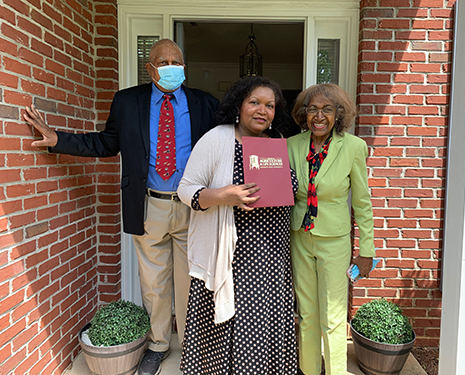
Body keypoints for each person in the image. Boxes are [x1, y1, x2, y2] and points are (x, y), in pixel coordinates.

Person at [22, 39, 219, 375]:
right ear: (150, 68)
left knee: (192, 281)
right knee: (153, 283)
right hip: (148, 204)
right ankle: (158, 345)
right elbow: (106, 142)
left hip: (193, 207)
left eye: (177, 61)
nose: (172, 67)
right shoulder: (128, 102)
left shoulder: (205, 103)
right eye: (164, 61)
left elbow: (225, 145)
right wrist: (58, 140)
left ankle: (192, 347)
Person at [177, 76, 298, 375]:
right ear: (239, 105)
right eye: (254, 102)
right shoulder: (217, 138)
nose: (262, 110)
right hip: (231, 254)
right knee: (232, 322)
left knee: (264, 322)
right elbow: (185, 189)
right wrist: (222, 195)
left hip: (272, 254)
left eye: (270, 105)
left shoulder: (278, 142)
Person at [287, 83, 376, 375]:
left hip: (334, 241)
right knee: (308, 314)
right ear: (304, 113)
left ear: (339, 114)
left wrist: (366, 251)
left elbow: (362, 203)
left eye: (327, 109)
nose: (319, 116)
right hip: (300, 236)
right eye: (312, 109)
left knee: (334, 315)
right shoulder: (292, 145)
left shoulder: (353, 147)